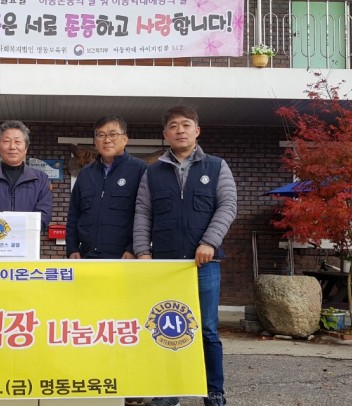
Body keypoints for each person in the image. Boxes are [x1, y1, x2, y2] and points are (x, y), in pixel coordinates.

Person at [133, 106, 238, 406]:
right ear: (165, 134)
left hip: (204, 264)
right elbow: (143, 213)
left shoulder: (216, 167)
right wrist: (142, 251)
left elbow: (228, 206)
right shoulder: (152, 172)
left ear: (197, 131)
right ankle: (168, 392)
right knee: (166, 329)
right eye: (174, 126)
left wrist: (209, 242)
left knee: (207, 330)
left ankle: (213, 391)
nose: (180, 130)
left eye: (186, 124)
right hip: (164, 266)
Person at [66, 114, 146, 259]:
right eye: (101, 135)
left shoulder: (140, 170)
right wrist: (72, 248)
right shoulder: (85, 173)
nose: (107, 140)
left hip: (124, 257)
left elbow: (146, 214)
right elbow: (74, 214)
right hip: (87, 256)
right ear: (95, 142)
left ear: (125, 139)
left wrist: (133, 249)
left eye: (113, 134)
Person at [0, 120, 52, 228]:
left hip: (27, 237)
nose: (12, 147)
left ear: (25, 148)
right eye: (6, 141)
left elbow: (44, 215)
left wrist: (17, 231)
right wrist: (0, 231)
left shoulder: (40, 179)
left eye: (17, 142)